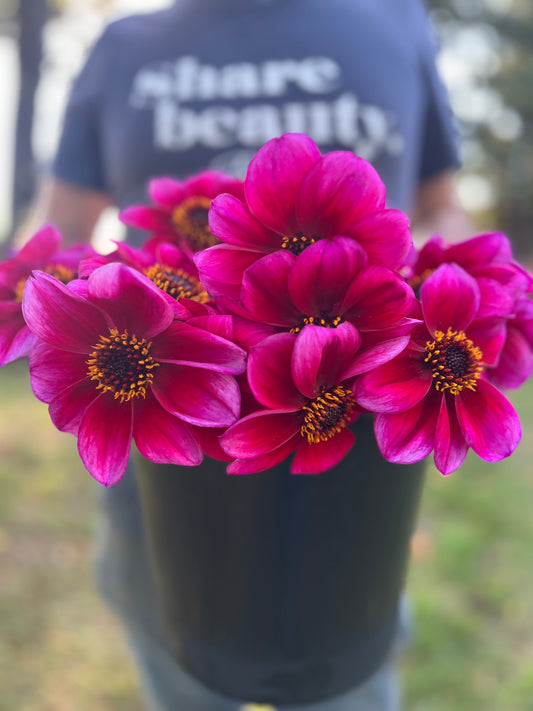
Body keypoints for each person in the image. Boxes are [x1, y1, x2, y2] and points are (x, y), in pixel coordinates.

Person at [16, 1, 472, 709]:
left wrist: (474, 292)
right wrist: (33, 296)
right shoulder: (123, 43)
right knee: (180, 661)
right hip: (165, 432)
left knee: (345, 671)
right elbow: (63, 230)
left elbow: (441, 207)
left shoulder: (395, 20)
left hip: (354, 435)